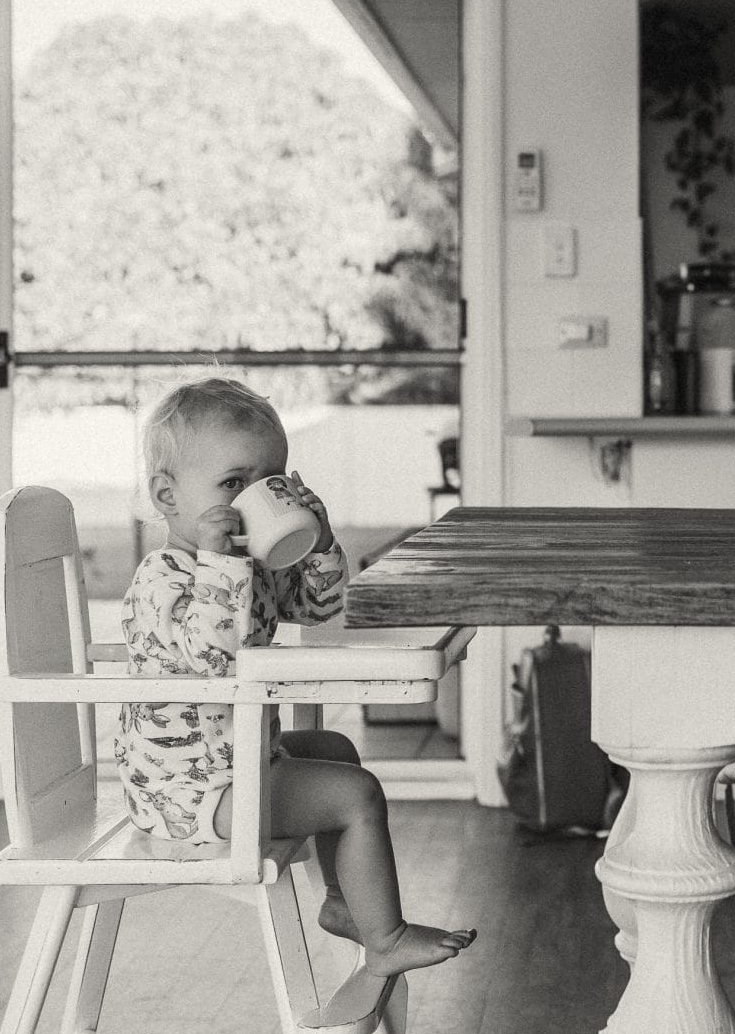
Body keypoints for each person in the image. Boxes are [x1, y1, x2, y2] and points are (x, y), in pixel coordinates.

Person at [119, 377, 476, 979]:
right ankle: (385, 937)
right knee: (358, 796)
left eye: (270, 481)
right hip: (189, 793)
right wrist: (222, 562)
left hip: (237, 760)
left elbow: (319, 610)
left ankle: (341, 902)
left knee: (336, 750)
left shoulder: (248, 566)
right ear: (167, 495)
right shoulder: (162, 579)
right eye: (235, 484)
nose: (254, 497)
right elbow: (214, 658)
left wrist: (319, 541)